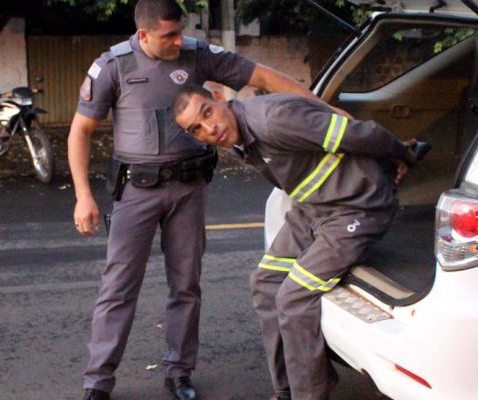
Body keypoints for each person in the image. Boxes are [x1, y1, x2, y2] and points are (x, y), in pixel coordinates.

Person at [67, 1, 341, 399]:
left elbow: (264, 77)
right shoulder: (113, 66)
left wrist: (325, 110)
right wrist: (82, 196)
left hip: (189, 188)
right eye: (169, 36)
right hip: (136, 192)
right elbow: (80, 131)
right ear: (143, 35)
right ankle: (98, 382)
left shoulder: (197, 54)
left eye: (180, 32)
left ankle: (179, 372)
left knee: (186, 286)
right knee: (118, 287)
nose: (180, 41)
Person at [171, 84, 421, 400]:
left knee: (293, 296)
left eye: (207, 112)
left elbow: (360, 133)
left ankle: (309, 393)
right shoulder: (236, 135)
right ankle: (288, 387)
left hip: (358, 205)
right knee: (265, 283)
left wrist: (403, 154)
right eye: (197, 129)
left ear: (220, 100)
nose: (209, 129)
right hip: (314, 208)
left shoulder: (274, 120)